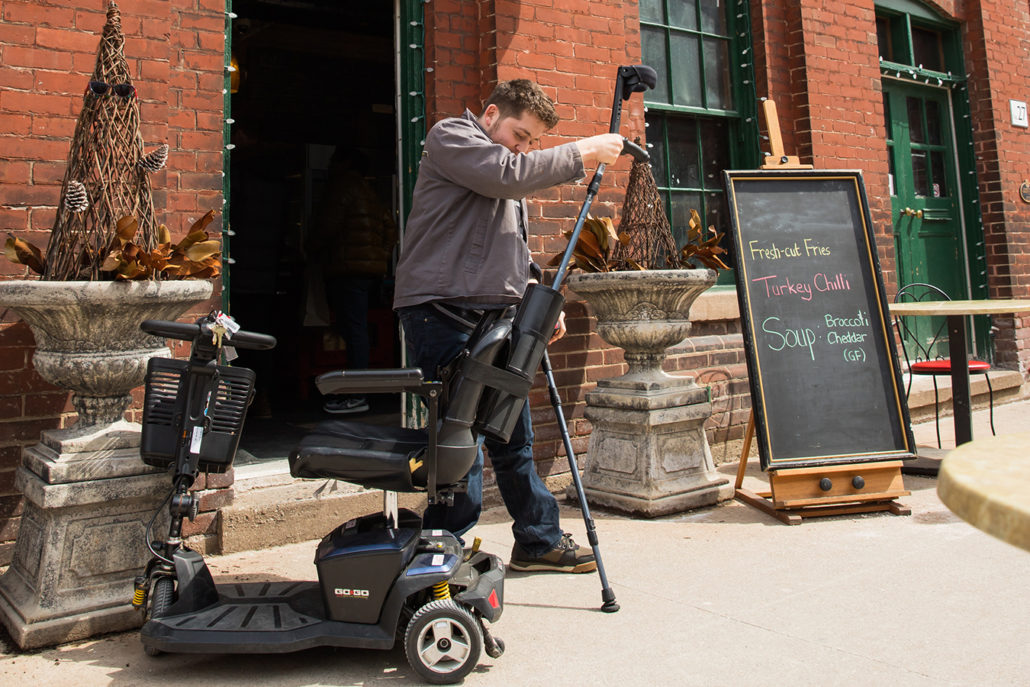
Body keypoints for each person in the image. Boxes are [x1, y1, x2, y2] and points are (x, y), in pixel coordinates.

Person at [393, 79, 623, 573]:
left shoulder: (506, 170)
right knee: (461, 438)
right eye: (520, 135)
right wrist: (584, 151)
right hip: (443, 312)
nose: (523, 148)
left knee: (511, 433)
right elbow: (508, 174)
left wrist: (540, 304)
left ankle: (536, 540)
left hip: (494, 316)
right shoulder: (451, 137)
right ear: (492, 114)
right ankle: (441, 549)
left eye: (531, 142)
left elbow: (511, 247)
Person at [309, 147, 397, 414]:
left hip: (347, 270)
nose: (331, 165)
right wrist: (380, 260)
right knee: (360, 330)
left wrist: (308, 248)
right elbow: (390, 229)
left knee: (353, 330)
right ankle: (359, 390)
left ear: (346, 163)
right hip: (370, 273)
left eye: (336, 160)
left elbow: (328, 225)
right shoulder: (371, 192)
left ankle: (357, 393)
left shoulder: (342, 187)